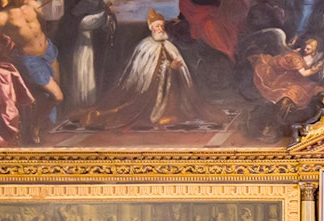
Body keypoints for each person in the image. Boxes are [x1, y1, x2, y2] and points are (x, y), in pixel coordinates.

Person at [72, 9, 227, 130]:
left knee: (180, 111)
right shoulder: (145, 47)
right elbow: (144, 74)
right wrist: (169, 66)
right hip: (150, 96)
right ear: (151, 27)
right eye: (157, 26)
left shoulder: (169, 45)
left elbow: (178, 68)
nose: (160, 28)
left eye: (162, 26)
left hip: (172, 91)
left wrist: (178, 68)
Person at [0, 0, 62, 143]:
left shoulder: (33, 5)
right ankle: (35, 126)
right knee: (57, 96)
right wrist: (10, 55)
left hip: (49, 51)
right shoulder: (2, 17)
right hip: (30, 60)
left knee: (53, 93)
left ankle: (44, 123)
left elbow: (43, 24)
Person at [174, 0, 249, 60]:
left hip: (218, 8)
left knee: (222, 25)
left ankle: (229, 49)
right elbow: (185, 4)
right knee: (207, 26)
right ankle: (224, 50)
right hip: (201, 12)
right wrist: (181, 17)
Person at [66, 0, 118, 109]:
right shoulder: (90, 1)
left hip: (99, 44)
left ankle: (97, 103)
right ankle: (84, 104)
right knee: (85, 74)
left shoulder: (106, 2)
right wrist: (103, 15)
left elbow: (110, 25)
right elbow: (82, 23)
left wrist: (109, 19)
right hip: (85, 43)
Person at [250, 37, 324, 108]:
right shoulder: (296, 57)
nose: (305, 50)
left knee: (311, 89)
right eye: (305, 47)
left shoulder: (313, 58)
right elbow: (304, 73)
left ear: (314, 50)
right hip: (284, 74)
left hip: (295, 77)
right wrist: (315, 70)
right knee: (287, 91)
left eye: (308, 49)